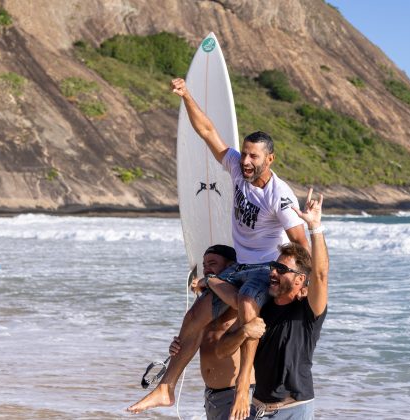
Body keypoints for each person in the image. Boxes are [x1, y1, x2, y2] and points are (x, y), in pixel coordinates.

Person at [127, 78, 308, 415]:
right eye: (246, 153)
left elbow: (299, 242)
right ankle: (166, 388)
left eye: (254, 156)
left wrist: (304, 282)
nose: (247, 161)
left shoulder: (279, 196)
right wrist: (186, 97)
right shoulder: (238, 170)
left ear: (271, 158)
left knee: (247, 307)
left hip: (263, 268)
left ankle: (242, 391)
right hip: (239, 265)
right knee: (195, 315)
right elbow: (207, 131)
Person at [216, 189, 328, 420]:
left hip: (294, 410)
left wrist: (315, 227)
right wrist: (244, 331)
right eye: (273, 268)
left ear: (299, 280)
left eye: (282, 270)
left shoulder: (308, 312)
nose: (273, 273)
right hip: (257, 409)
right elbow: (221, 350)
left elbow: (319, 275)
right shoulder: (261, 306)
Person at [171, 245, 262, 420]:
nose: (206, 269)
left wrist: (210, 280)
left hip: (237, 395)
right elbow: (200, 339)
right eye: (204, 265)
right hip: (212, 396)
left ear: (230, 266)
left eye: (212, 263)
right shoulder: (207, 303)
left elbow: (237, 302)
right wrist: (178, 344)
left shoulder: (240, 297)